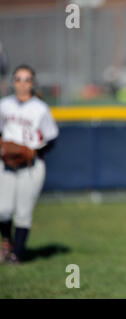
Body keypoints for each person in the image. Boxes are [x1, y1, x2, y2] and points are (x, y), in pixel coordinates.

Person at [0, 64, 59, 265]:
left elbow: (51, 138)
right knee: (3, 210)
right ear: (13, 82)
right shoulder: (4, 105)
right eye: (18, 79)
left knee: (23, 213)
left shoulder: (40, 108)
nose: (22, 83)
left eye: (27, 79)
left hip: (31, 167)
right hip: (6, 164)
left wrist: (33, 151)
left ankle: (16, 254)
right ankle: (6, 242)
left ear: (33, 84)